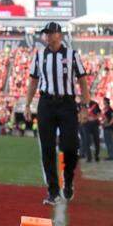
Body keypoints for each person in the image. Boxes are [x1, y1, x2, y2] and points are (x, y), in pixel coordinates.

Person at [24, 23, 90, 205]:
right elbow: (33, 81)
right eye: (45, 33)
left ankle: (68, 181)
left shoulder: (72, 55)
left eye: (50, 33)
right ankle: (52, 190)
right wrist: (28, 104)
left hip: (67, 103)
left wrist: (85, 106)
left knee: (70, 146)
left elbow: (83, 81)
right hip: (46, 103)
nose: (47, 36)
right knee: (46, 147)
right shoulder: (39, 56)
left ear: (59, 35)